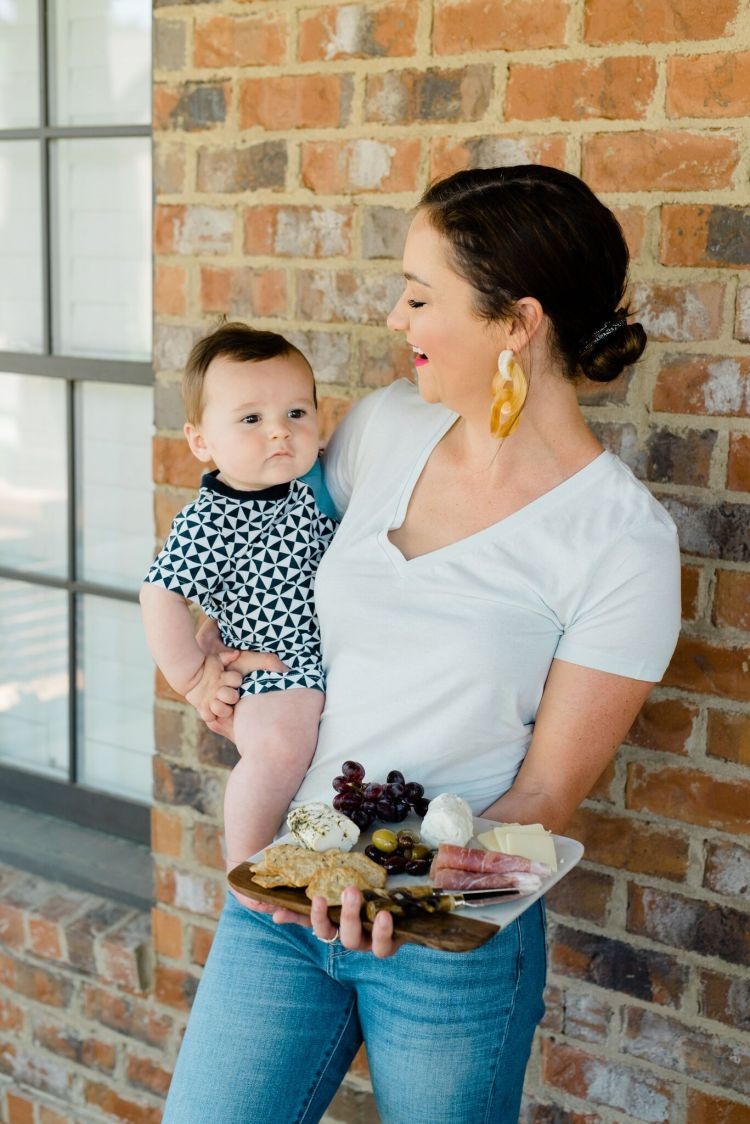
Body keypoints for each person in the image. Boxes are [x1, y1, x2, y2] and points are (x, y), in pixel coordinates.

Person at [161, 166, 681, 1124]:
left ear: (514, 322)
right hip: (282, 889)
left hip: (449, 944)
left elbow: (545, 802)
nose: (395, 318)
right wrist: (207, 642)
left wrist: (401, 896)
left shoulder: (622, 541)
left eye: (419, 294)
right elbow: (277, 551)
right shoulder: (384, 429)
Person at [140, 323, 337, 875]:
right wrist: (194, 678)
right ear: (201, 441)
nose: (280, 433)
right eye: (251, 419)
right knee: (280, 747)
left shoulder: (305, 485)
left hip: (317, 655)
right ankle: (248, 867)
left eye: (296, 414)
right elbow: (158, 595)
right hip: (275, 664)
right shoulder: (213, 519)